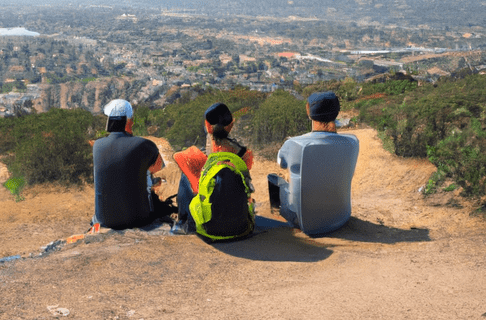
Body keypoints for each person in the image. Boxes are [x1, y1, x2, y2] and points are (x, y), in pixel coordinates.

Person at [268, 91, 359, 235]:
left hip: (302, 222)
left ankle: (278, 216)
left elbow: (281, 163)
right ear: (336, 112)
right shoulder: (353, 142)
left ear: (308, 110)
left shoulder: (294, 143)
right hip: (341, 218)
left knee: (273, 178)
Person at [172, 102, 253, 237]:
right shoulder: (244, 154)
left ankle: (182, 223)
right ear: (231, 125)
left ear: (208, 126)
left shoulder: (196, 156)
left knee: (186, 176)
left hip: (209, 227)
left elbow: (178, 158)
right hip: (241, 226)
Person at [92, 99, 164, 230]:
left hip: (103, 219)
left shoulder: (97, 145)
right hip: (137, 219)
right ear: (129, 121)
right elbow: (158, 168)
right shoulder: (144, 144)